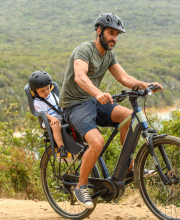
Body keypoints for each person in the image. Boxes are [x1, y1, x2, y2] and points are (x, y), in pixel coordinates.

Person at [59, 13, 164, 209]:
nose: (114, 38)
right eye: (110, 33)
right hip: (74, 105)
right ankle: (81, 187)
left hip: (93, 101)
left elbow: (124, 78)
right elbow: (80, 77)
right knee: (96, 142)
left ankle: (126, 168)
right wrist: (98, 93)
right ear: (99, 31)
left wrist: (145, 84)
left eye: (117, 34)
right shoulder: (84, 50)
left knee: (129, 117)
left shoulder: (108, 54)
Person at [29, 70, 68, 158]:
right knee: (56, 125)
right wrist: (52, 118)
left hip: (60, 115)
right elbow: (42, 114)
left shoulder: (53, 95)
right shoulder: (37, 102)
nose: (46, 92)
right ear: (35, 92)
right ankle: (62, 148)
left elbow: (60, 106)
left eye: (48, 88)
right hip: (48, 120)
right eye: (42, 91)